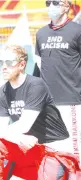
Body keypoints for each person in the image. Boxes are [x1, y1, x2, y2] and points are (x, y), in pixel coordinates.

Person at [0, 45, 70, 180]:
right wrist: (12, 137)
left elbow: (23, 126)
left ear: (22, 65)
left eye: (9, 62)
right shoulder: (3, 91)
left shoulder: (36, 85)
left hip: (54, 149)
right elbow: (3, 128)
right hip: (29, 146)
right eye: (1, 62)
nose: (3, 66)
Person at [35, 0, 81, 158]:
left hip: (71, 101)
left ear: (67, 6)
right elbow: (40, 65)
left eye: (55, 2)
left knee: (74, 149)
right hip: (47, 103)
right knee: (51, 149)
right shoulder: (41, 33)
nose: (51, 6)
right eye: (48, 2)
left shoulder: (77, 31)